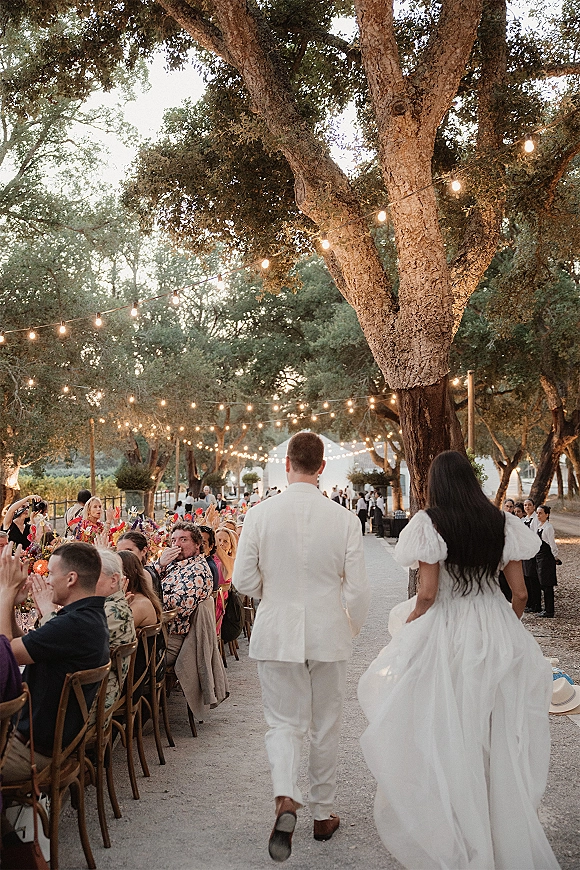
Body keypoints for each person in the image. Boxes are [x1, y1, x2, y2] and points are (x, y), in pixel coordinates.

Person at [358, 451, 558, 870]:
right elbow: (520, 594)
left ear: (436, 483)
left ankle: (458, 829)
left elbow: (428, 595)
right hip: (496, 626)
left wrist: (411, 626)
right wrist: (504, 628)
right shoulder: (503, 522)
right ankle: (499, 824)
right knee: (497, 731)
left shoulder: (429, 523)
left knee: (448, 728)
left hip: (448, 630)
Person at [233, 432, 370, 862]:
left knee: (282, 723)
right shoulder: (345, 519)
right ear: (323, 467)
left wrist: (272, 595)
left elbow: (242, 581)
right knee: (325, 723)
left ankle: (286, 795)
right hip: (328, 631)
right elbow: (359, 590)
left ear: (287, 462)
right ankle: (323, 812)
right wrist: (348, 627)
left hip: (276, 629)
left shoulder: (259, 514)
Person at [0, 542, 109, 782]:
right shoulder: (88, 616)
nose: (46, 580)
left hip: (28, 753)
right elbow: (24, 646)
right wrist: (11, 606)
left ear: (71, 579)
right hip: (49, 743)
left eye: (50, 573)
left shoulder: (73, 625)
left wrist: (5, 591)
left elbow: (5, 654)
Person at [155, 522, 213, 665]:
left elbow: (178, 607)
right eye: (174, 540)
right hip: (160, 632)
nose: (177, 545)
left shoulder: (197, 570)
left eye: (183, 539)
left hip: (171, 639)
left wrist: (147, 597)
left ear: (198, 544)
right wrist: (160, 564)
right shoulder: (177, 564)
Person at [117, 530, 163, 602]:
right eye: (119, 552)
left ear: (144, 551)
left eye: (129, 550)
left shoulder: (144, 573)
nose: (123, 555)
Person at [536, 504, 560, 618]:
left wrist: (555, 557)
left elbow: (552, 544)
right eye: (537, 513)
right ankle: (546, 609)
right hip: (540, 558)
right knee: (543, 584)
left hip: (547, 559)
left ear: (547, 514)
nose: (538, 515)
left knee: (547, 585)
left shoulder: (548, 527)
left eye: (540, 513)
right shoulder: (540, 526)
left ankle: (549, 611)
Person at [522, 498, 542, 613]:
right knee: (527, 577)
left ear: (533, 506)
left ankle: (537, 604)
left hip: (533, 552)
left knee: (534, 579)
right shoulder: (524, 520)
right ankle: (530, 603)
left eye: (529, 505)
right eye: (525, 505)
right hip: (525, 552)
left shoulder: (535, 519)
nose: (527, 507)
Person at [198, 525, 219, 592]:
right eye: (196, 542)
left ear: (211, 546)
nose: (198, 546)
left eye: (203, 543)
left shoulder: (208, 567)